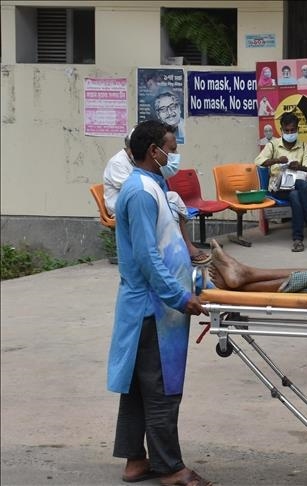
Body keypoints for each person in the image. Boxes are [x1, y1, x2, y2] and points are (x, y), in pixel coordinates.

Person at [107, 120, 212, 486]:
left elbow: (170, 245)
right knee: (161, 389)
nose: (175, 156)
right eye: (171, 149)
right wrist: (180, 297)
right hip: (152, 308)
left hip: (157, 304)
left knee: (139, 388)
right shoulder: (140, 193)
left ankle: (136, 461)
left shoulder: (155, 186)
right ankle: (170, 468)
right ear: (154, 151)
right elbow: (147, 256)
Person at [103, 128, 210, 265]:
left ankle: (180, 249)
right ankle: (178, 250)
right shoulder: (118, 163)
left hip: (141, 200)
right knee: (168, 205)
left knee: (172, 200)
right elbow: (136, 191)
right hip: (122, 206)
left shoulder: (136, 164)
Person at [254, 112, 307, 252]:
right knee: (300, 186)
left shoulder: (304, 147)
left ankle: (298, 240)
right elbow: (258, 161)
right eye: (287, 130)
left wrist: (299, 167)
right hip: (278, 188)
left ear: (297, 129)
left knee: (296, 193)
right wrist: (277, 160)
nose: (290, 133)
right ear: (282, 130)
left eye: (293, 130)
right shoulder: (273, 145)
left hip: (297, 186)